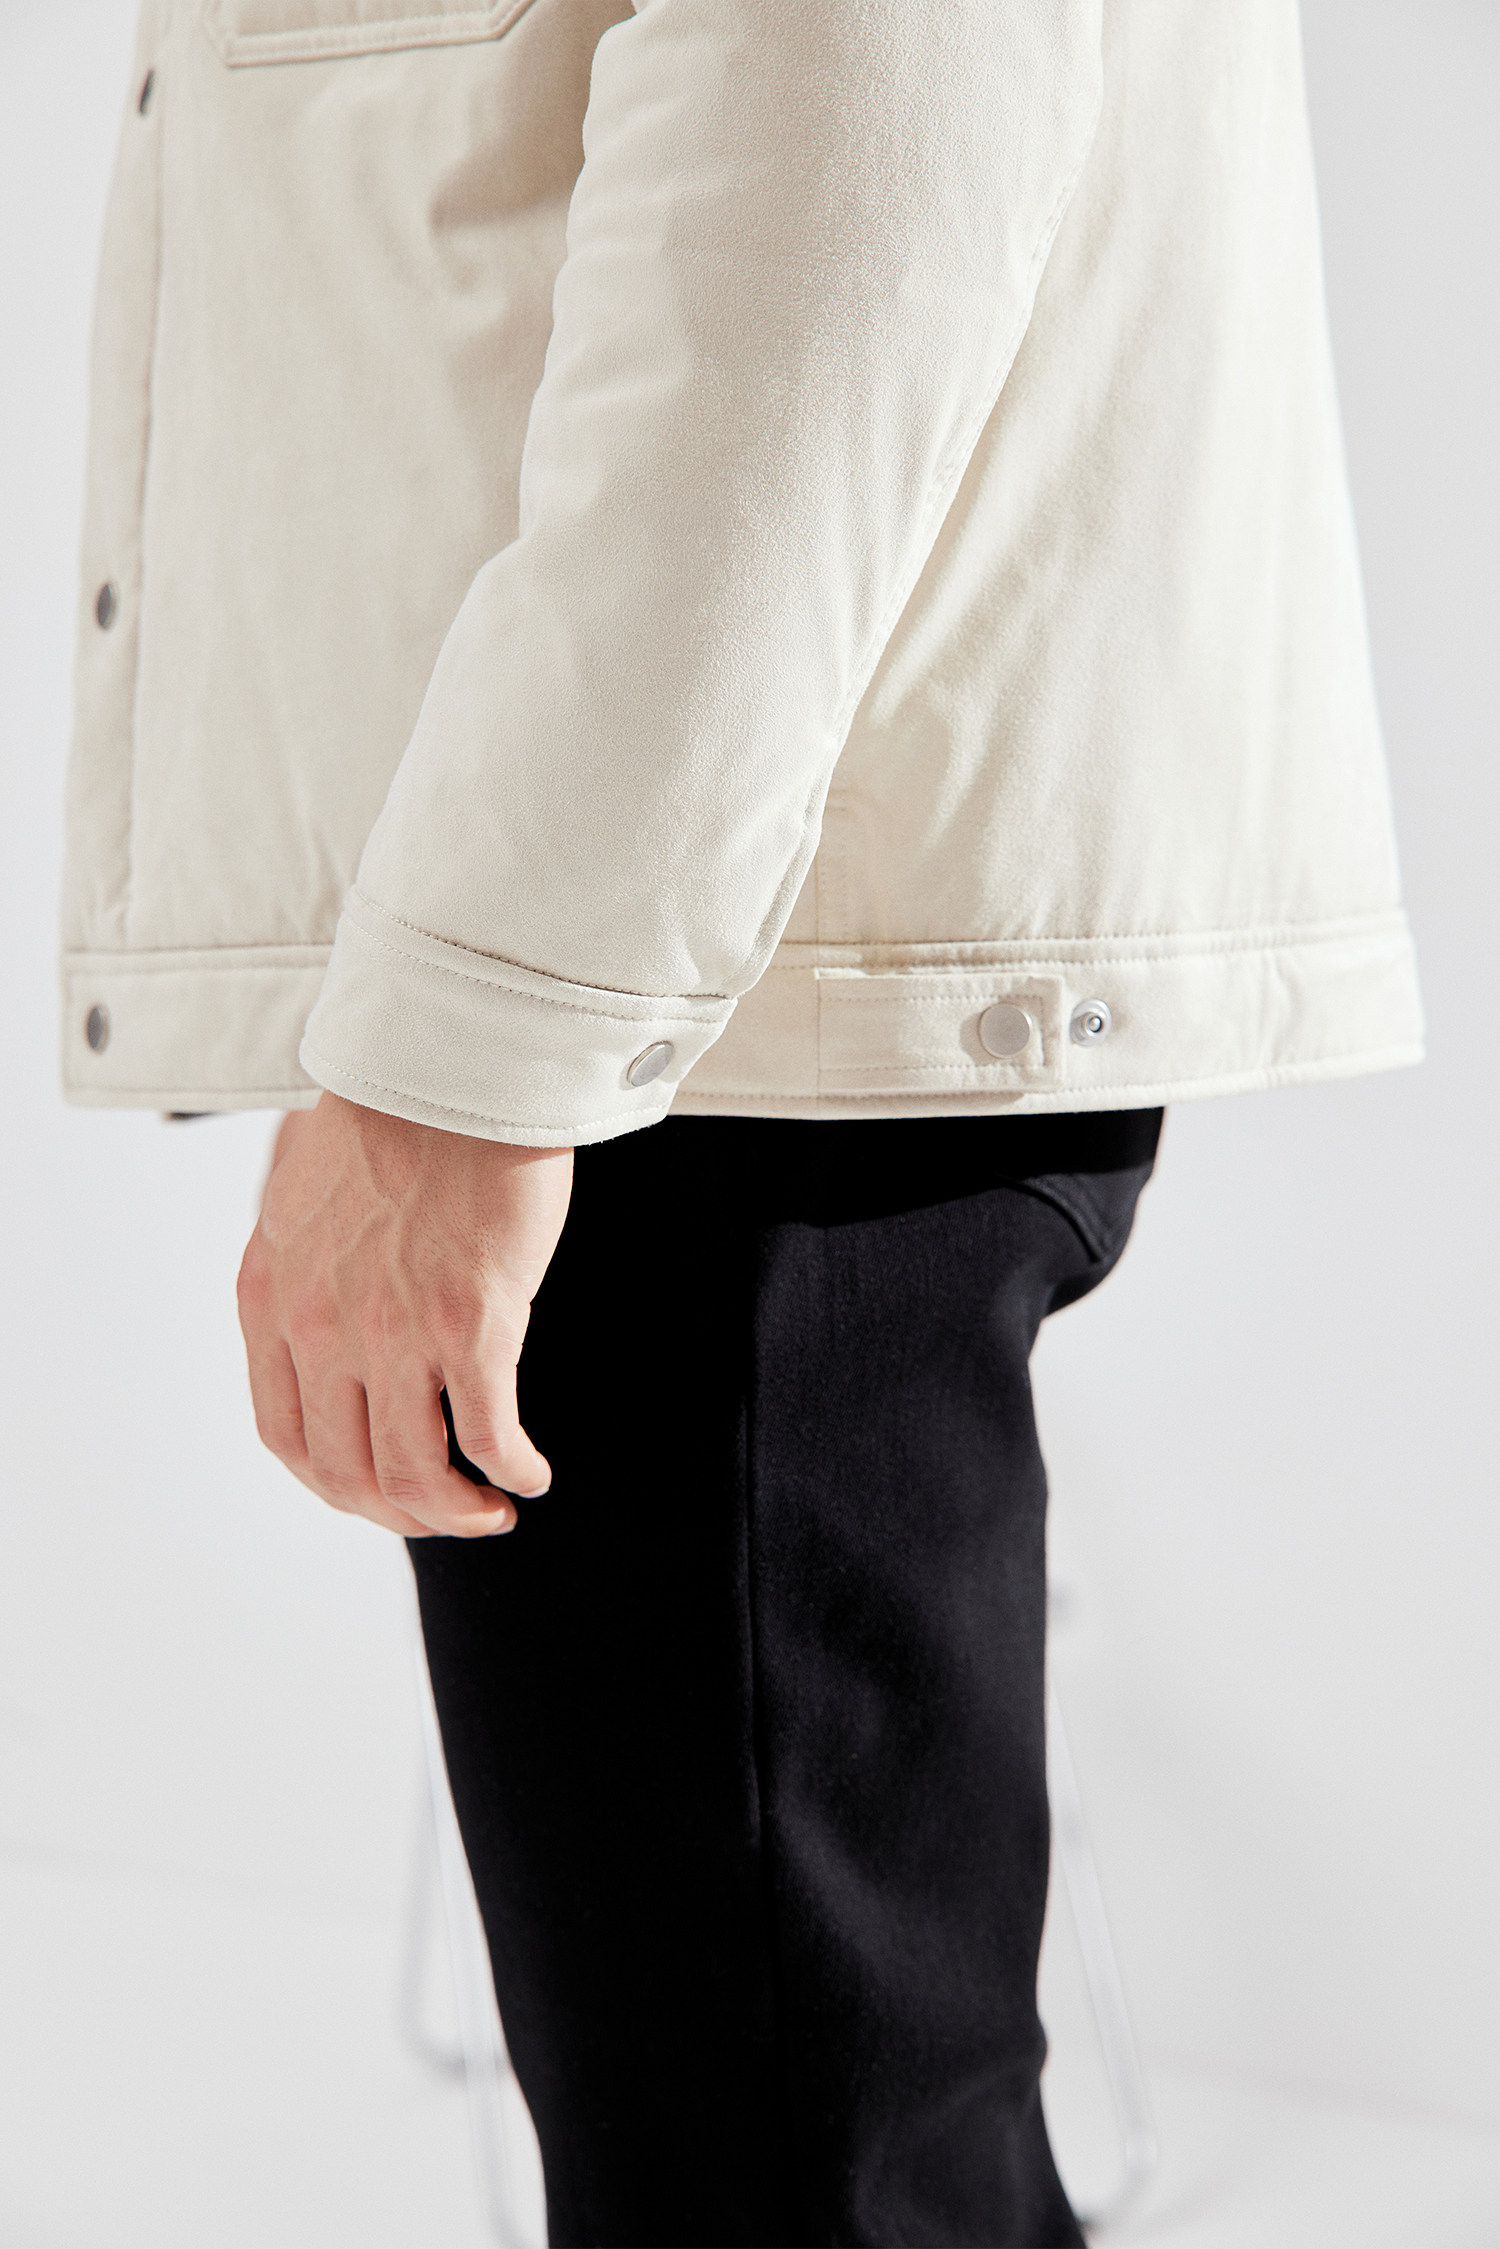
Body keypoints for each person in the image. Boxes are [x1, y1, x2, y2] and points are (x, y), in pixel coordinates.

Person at [62, 2, 1421, 2242]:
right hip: (698, 979)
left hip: (699, 1018)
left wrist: (479, 1032)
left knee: (777, 2189)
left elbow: (862, 94)